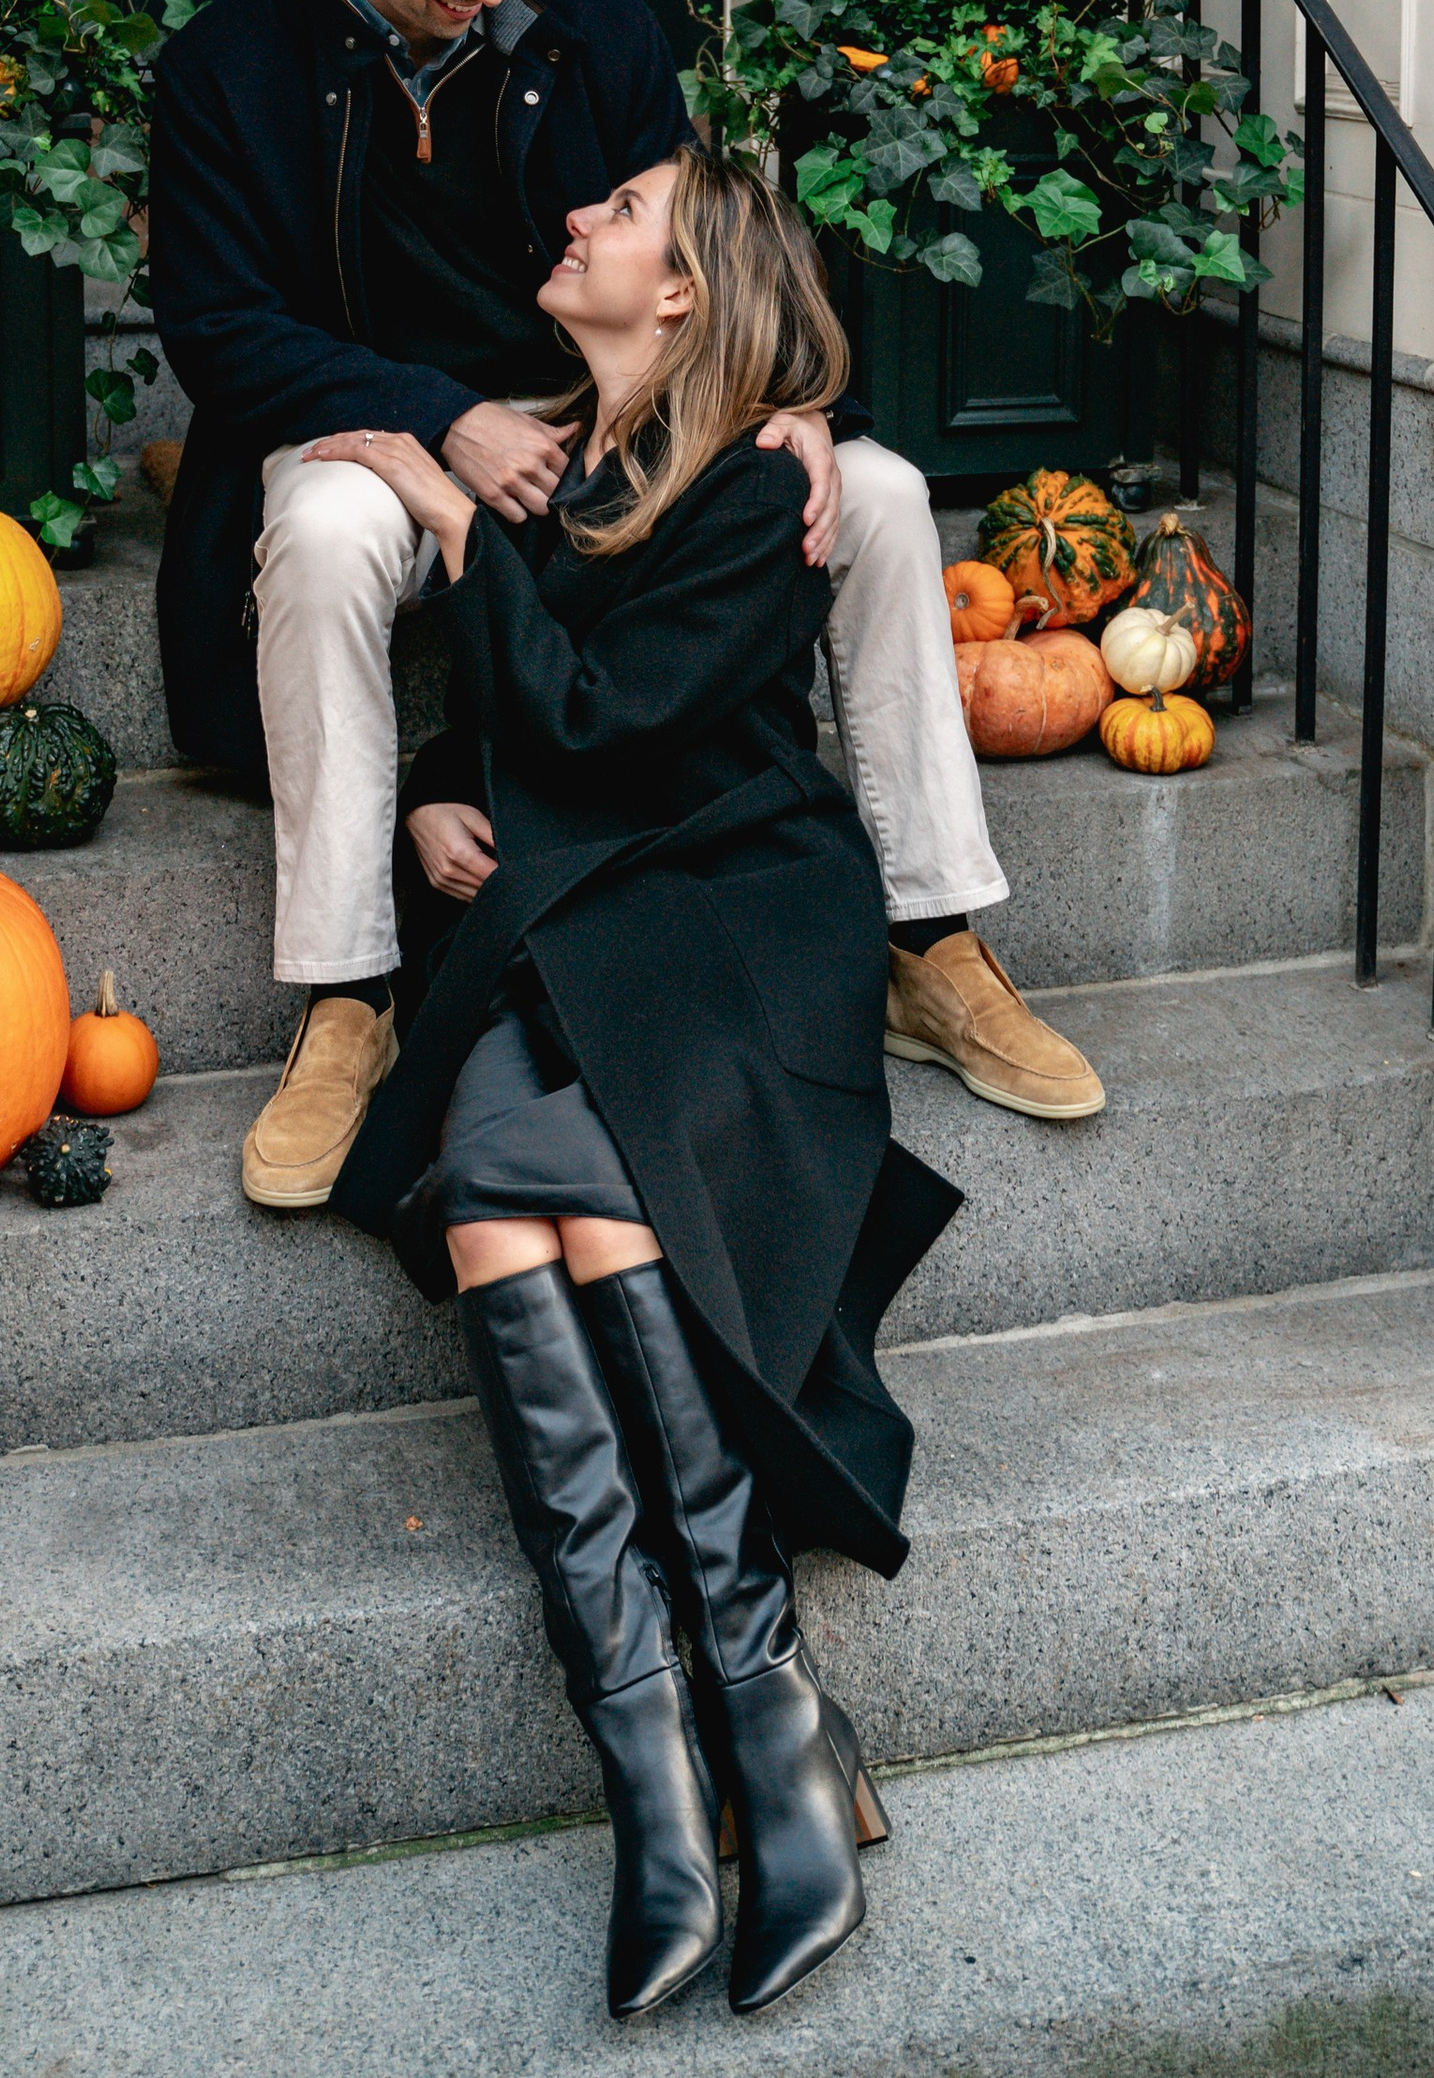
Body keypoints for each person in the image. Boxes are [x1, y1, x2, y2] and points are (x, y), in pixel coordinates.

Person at [146, 0, 1103, 1211]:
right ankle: (347, 992)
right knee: (331, 536)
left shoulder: (589, 25)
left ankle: (928, 937)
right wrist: (441, 418)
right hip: (371, 419)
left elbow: (697, 256)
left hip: (607, 397)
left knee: (894, 498)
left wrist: (789, 404)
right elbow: (222, 334)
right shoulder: (224, 69)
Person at [325, 143, 958, 2017]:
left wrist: (453, 526)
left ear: (682, 295)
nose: (580, 217)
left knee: (582, 1205)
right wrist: (440, 780)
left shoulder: (763, 482)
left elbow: (603, 719)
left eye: (621, 214)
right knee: (507, 1206)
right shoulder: (564, 454)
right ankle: (678, 1771)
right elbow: (526, 713)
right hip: (585, 899)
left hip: (732, 906)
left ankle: (740, 1743)